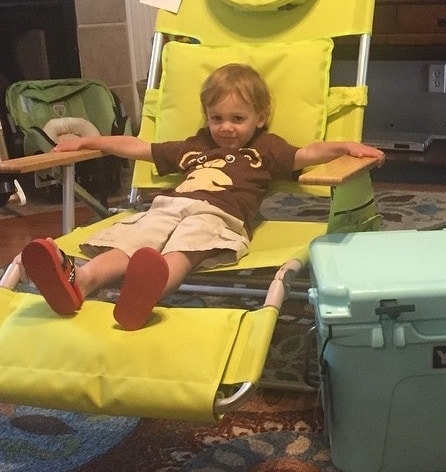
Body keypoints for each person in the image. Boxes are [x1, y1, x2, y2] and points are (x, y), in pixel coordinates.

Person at [21, 63, 385, 330]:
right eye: (217, 118)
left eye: (237, 118)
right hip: (168, 206)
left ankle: (150, 288)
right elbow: (138, 146)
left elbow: (307, 154)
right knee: (135, 239)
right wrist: (90, 140)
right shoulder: (195, 146)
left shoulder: (266, 148)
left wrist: (345, 146)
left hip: (219, 216)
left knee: (184, 248)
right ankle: (80, 281)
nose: (226, 127)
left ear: (261, 117)